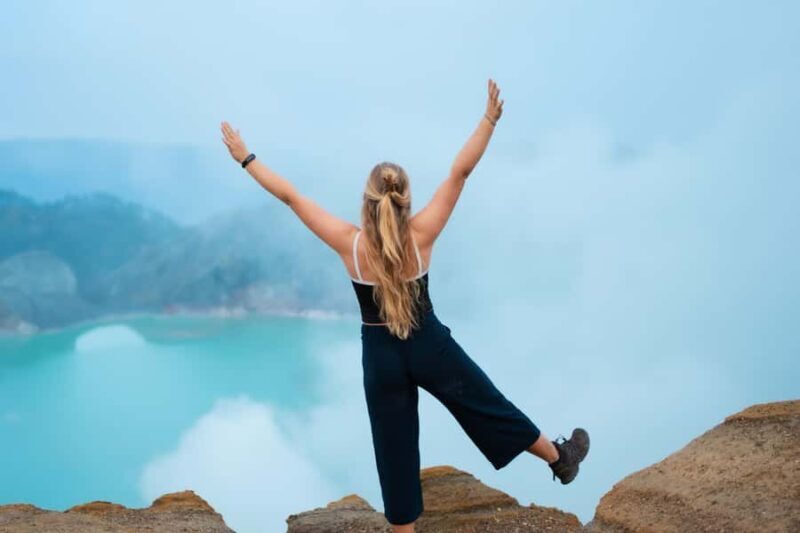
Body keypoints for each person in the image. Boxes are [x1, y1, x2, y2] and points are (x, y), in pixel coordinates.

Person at [220, 78, 590, 532]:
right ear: (405, 199)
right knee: (486, 404)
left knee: (394, 454)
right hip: (428, 343)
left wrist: (246, 158)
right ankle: (560, 459)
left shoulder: (349, 246)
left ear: (367, 202)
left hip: (380, 357)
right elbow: (459, 173)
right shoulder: (423, 235)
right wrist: (489, 121)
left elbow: (290, 196)